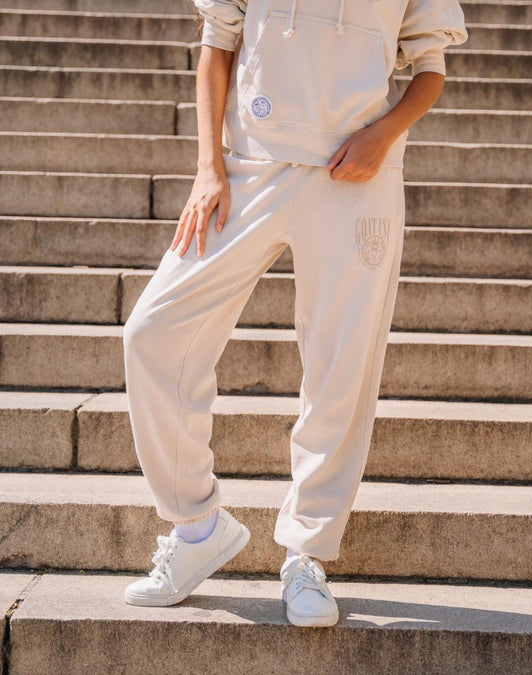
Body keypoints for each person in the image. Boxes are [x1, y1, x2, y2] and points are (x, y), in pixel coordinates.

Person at [122, 0, 468, 627]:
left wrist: (383, 133)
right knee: (153, 334)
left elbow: (430, 68)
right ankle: (198, 528)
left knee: (340, 371)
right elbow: (217, 41)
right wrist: (209, 167)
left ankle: (306, 556)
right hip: (249, 166)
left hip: (356, 175)